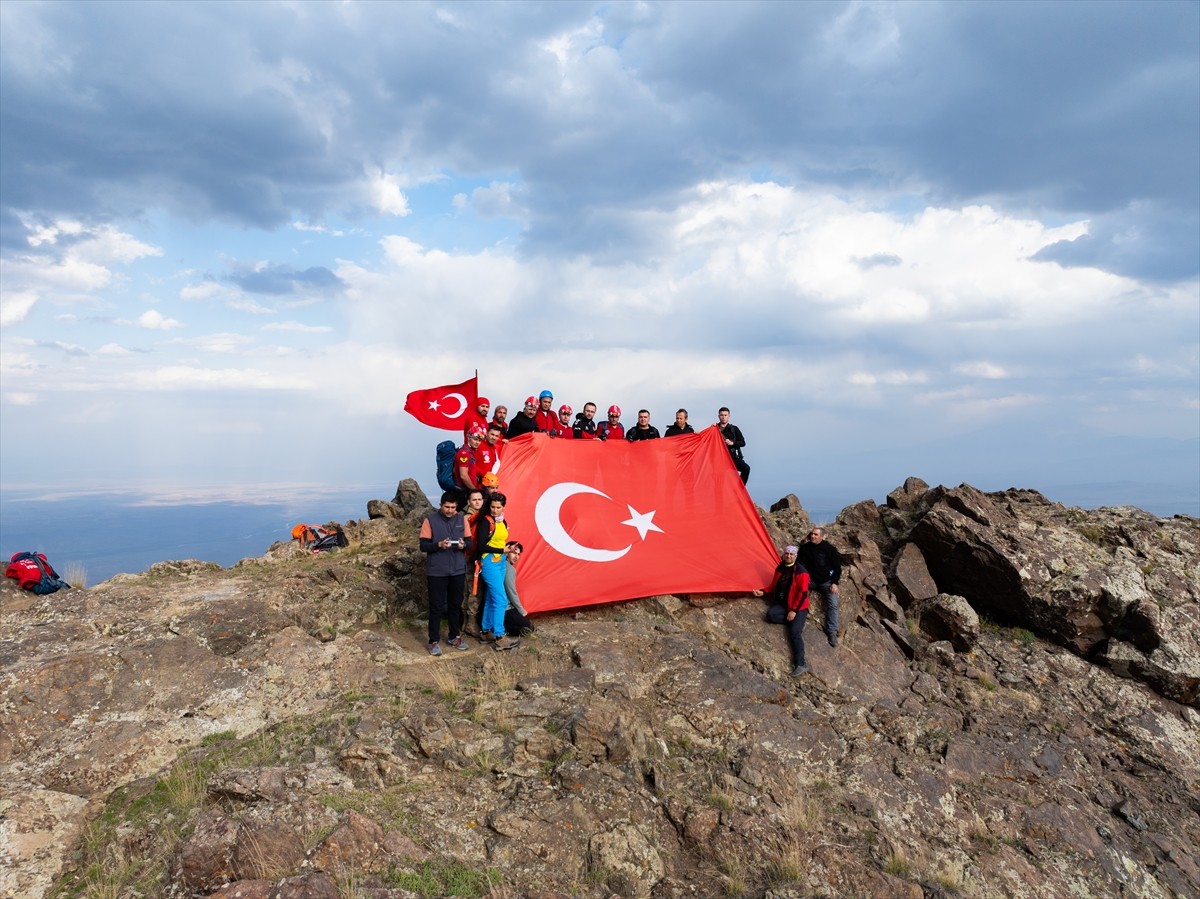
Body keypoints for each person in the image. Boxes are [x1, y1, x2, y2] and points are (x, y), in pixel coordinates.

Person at [418, 491, 473, 656]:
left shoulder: (462, 520)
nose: (450, 510)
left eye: (453, 507)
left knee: (455, 605)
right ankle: (433, 641)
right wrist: (439, 545)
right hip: (436, 571)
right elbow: (423, 545)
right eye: (447, 507)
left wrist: (464, 545)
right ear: (440, 505)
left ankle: (454, 637)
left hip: (458, 570)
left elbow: (470, 542)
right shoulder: (430, 520)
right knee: (436, 607)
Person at [754, 545, 811, 676]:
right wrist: (763, 591)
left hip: (798, 607)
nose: (789, 556)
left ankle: (801, 664)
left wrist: (794, 611)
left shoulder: (801, 572)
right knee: (770, 615)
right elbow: (774, 585)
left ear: (795, 556)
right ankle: (795, 622)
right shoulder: (780, 568)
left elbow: (803, 593)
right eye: (787, 554)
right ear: (784, 554)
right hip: (783, 604)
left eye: (791, 554)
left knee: (794, 633)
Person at [475, 493, 520, 651]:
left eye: (498, 507)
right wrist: (502, 550)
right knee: (501, 600)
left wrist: (508, 548)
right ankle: (500, 637)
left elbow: (498, 540)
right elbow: (481, 546)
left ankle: (485, 632)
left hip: (500, 562)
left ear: (503, 507)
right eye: (492, 507)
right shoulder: (485, 521)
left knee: (491, 599)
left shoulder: (501, 521)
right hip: (489, 563)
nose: (495, 510)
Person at [797, 527, 842, 647]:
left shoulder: (829, 549)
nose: (813, 536)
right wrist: (803, 576)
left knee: (833, 604)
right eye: (812, 534)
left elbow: (837, 567)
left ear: (821, 536)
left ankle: (832, 632)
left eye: (816, 535)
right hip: (811, 580)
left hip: (826, 581)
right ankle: (797, 623)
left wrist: (835, 582)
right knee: (797, 593)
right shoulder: (805, 548)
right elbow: (798, 563)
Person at [502, 541, 535, 636]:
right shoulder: (509, 568)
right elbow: (511, 592)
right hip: (506, 609)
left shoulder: (500, 564)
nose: (516, 557)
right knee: (529, 627)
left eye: (518, 554)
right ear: (507, 552)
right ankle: (504, 630)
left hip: (498, 608)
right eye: (513, 553)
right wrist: (522, 611)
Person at [717, 406, 750, 484]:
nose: (723, 417)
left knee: (746, 469)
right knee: (719, 480)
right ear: (718, 416)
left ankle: (740, 488)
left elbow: (743, 443)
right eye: (721, 415)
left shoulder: (734, 429)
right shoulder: (714, 428)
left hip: (732, 457)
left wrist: (732, 443)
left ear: (729, 416)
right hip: (719, 458)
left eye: (725, 415)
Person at [453, 426, 484, 499]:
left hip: (467, 490)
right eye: (475, 439)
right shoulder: (464, 453)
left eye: (479, 440)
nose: (477, 442)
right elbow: (463, 476)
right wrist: (474, 490)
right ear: (469, 437)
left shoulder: (470, 452)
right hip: (463, 492)